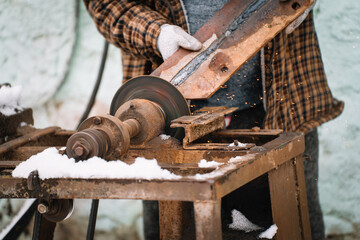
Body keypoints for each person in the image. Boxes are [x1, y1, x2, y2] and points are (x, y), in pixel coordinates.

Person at [83, 1, 344, 239]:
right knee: (177, 230)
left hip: (280, 108)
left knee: (290, 226)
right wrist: (156, 33)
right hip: (167, 122)